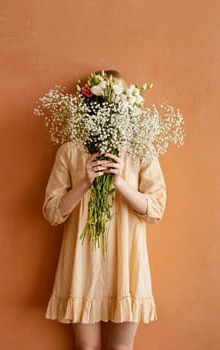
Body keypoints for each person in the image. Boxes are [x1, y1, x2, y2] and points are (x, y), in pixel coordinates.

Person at [42, 70, 167, 350]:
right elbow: (52, 212)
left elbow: (156, 209)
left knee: (120, 349)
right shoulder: (71, 151)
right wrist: (85, 183)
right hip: (83, 264)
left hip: (127, 264)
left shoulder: (141, 150)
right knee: (86, 348)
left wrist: (121, 183)